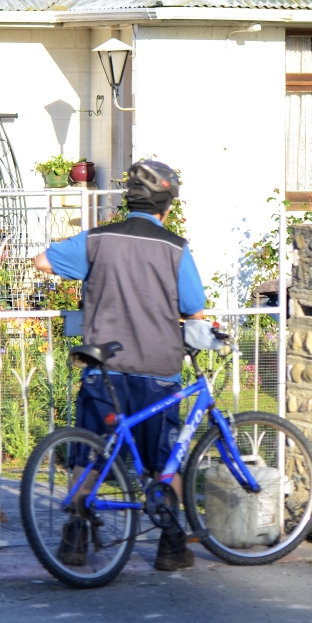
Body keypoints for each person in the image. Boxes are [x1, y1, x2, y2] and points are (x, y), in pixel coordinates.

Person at [32, 159, 208, 571]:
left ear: (128, 200)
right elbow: (194, 309)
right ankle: (170, 544)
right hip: (157, 370)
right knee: (163, 462)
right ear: (166, 205)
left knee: (89, 456)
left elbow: (42, 261)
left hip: (104, 369)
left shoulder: (98, 240)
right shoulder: (175, 248)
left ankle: (74, 539)